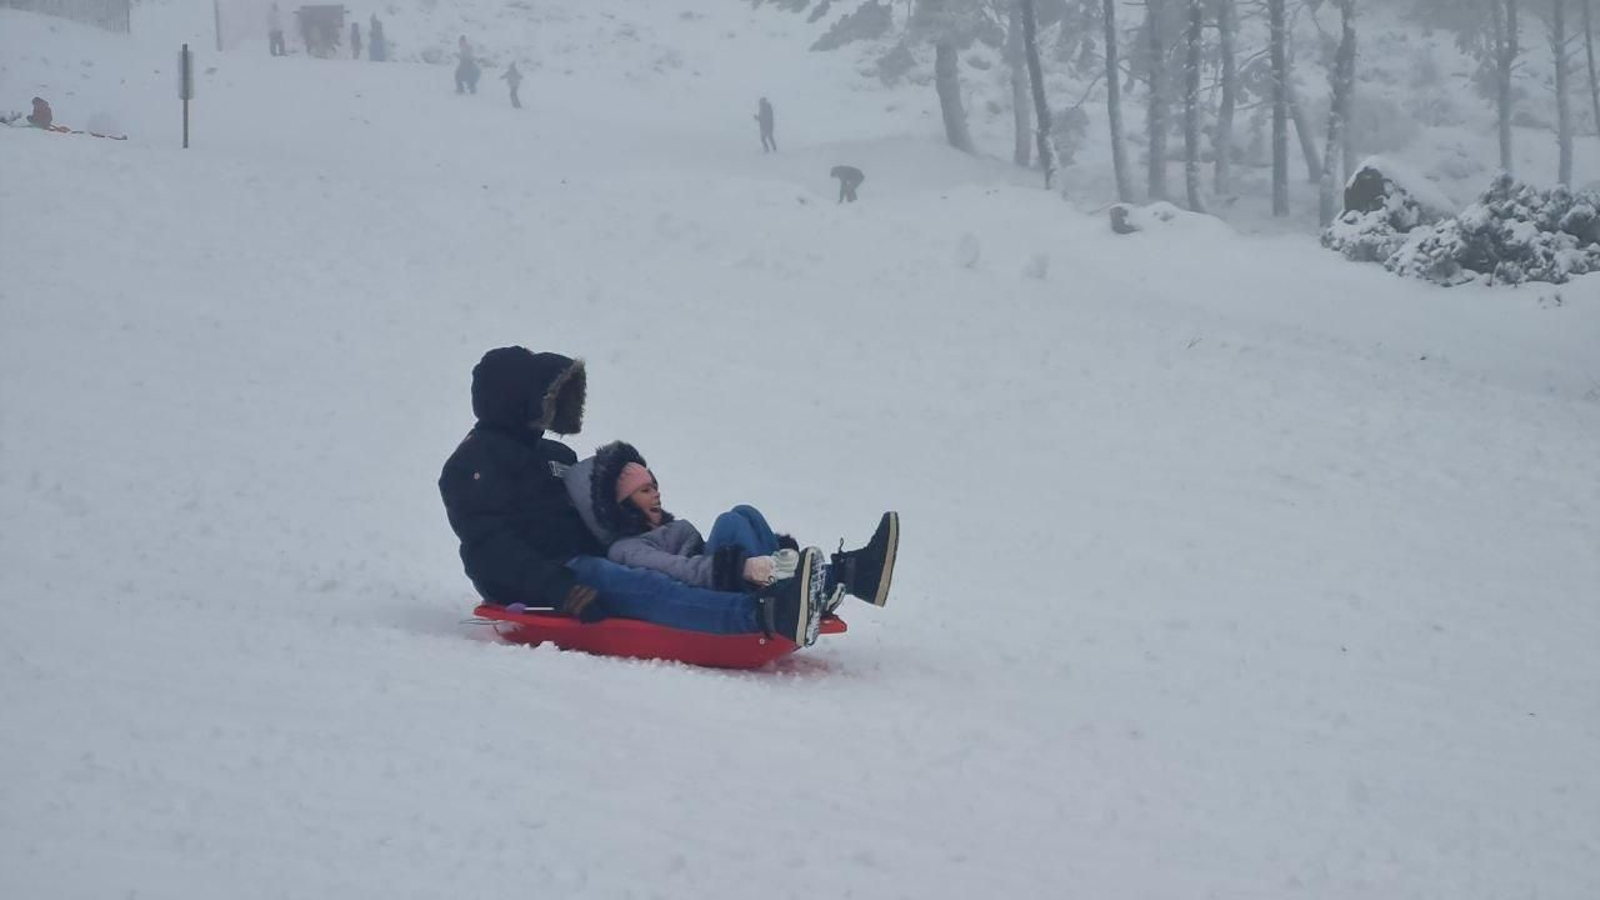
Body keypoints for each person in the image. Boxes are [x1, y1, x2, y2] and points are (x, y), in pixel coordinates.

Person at [438, 347, 826, 645]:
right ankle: (764, 615)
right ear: (515, 400)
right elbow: (492, 549)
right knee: (648, 588)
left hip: (592, 556)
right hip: (547, 576)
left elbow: (595, 512)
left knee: (715, 536)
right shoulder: (474, 462)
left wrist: (639, 522)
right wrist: (560, 589)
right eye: (547, 397)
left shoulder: (553, 455)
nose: (553, 406)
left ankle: (799, 585)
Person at [564, 441, 896, 611]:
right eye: (645, 490)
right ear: (623, 503)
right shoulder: (627, 548)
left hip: (719, 571)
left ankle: (849, 576)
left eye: (655, 486)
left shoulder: (660, 529)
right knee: (731, 521)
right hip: (709, 584)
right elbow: (675, 569)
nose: (657, 494)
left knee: (743, 513)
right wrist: (739, 568)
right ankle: (791, 589)